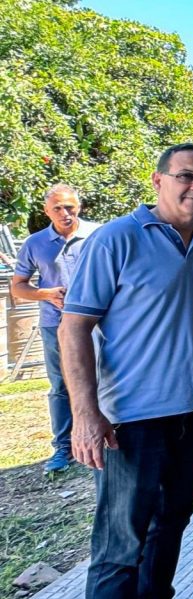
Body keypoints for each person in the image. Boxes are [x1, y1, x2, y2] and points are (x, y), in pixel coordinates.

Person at [61, 144, 193, 599]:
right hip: (130, 420)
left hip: (192, 412)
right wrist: (85, 413)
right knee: (118, 545)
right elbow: (75, 327)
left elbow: (189, 319)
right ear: (158, 181)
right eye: (186, 176)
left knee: (170, 523)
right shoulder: (117, 239)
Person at [12, 184, 92, 474]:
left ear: (79, 206)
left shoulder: (98, 235)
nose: (65, 213)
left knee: (105, 378)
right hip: (55, 324)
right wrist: (46, 294)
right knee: (61, 385)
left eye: (69, 207)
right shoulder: (35, 243)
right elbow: (18, 287)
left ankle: (107, 439)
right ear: (47, 211)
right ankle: (63, 447)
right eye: (57, 208)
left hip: (98, 323)